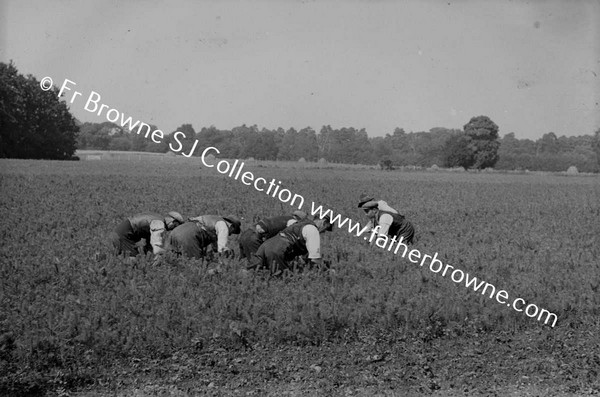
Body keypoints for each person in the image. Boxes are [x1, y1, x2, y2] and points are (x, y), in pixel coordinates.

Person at [246, 216, 333, 275]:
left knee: (251, 272)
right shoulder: (313, 230)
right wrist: (327, 271)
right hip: (277, 250)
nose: (324, 232)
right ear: (324, 222)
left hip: (265, 246)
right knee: (282, 279)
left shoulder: (299, 223)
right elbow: (315, 259)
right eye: (326, 229)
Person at [238, 210, 308, 261]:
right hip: (253, 238)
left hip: (246, 234)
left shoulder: (283, 218)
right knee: (258, 264)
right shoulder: (292, 223)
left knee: (244, 261)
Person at [165, 215, 241, 259]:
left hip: (176, 232)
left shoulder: (214, 221)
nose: (230, 234)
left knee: (173, 258)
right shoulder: (223, 226)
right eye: (232, 232)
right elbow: (222, 248)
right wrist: (226, 254)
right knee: (196, 264)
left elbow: (215, 245)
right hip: (189, 236)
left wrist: (213, 253)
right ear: (232, 226)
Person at [111, 211, 184, 257]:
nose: (173, 229)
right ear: (172, 221)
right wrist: (162, 255)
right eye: (175, 225)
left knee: (122, 257)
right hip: (124, 235)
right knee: (132, 261)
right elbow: (156, 244)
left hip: (121, 232)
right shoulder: (159, 223)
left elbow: (150, 244)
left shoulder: (157, 218)